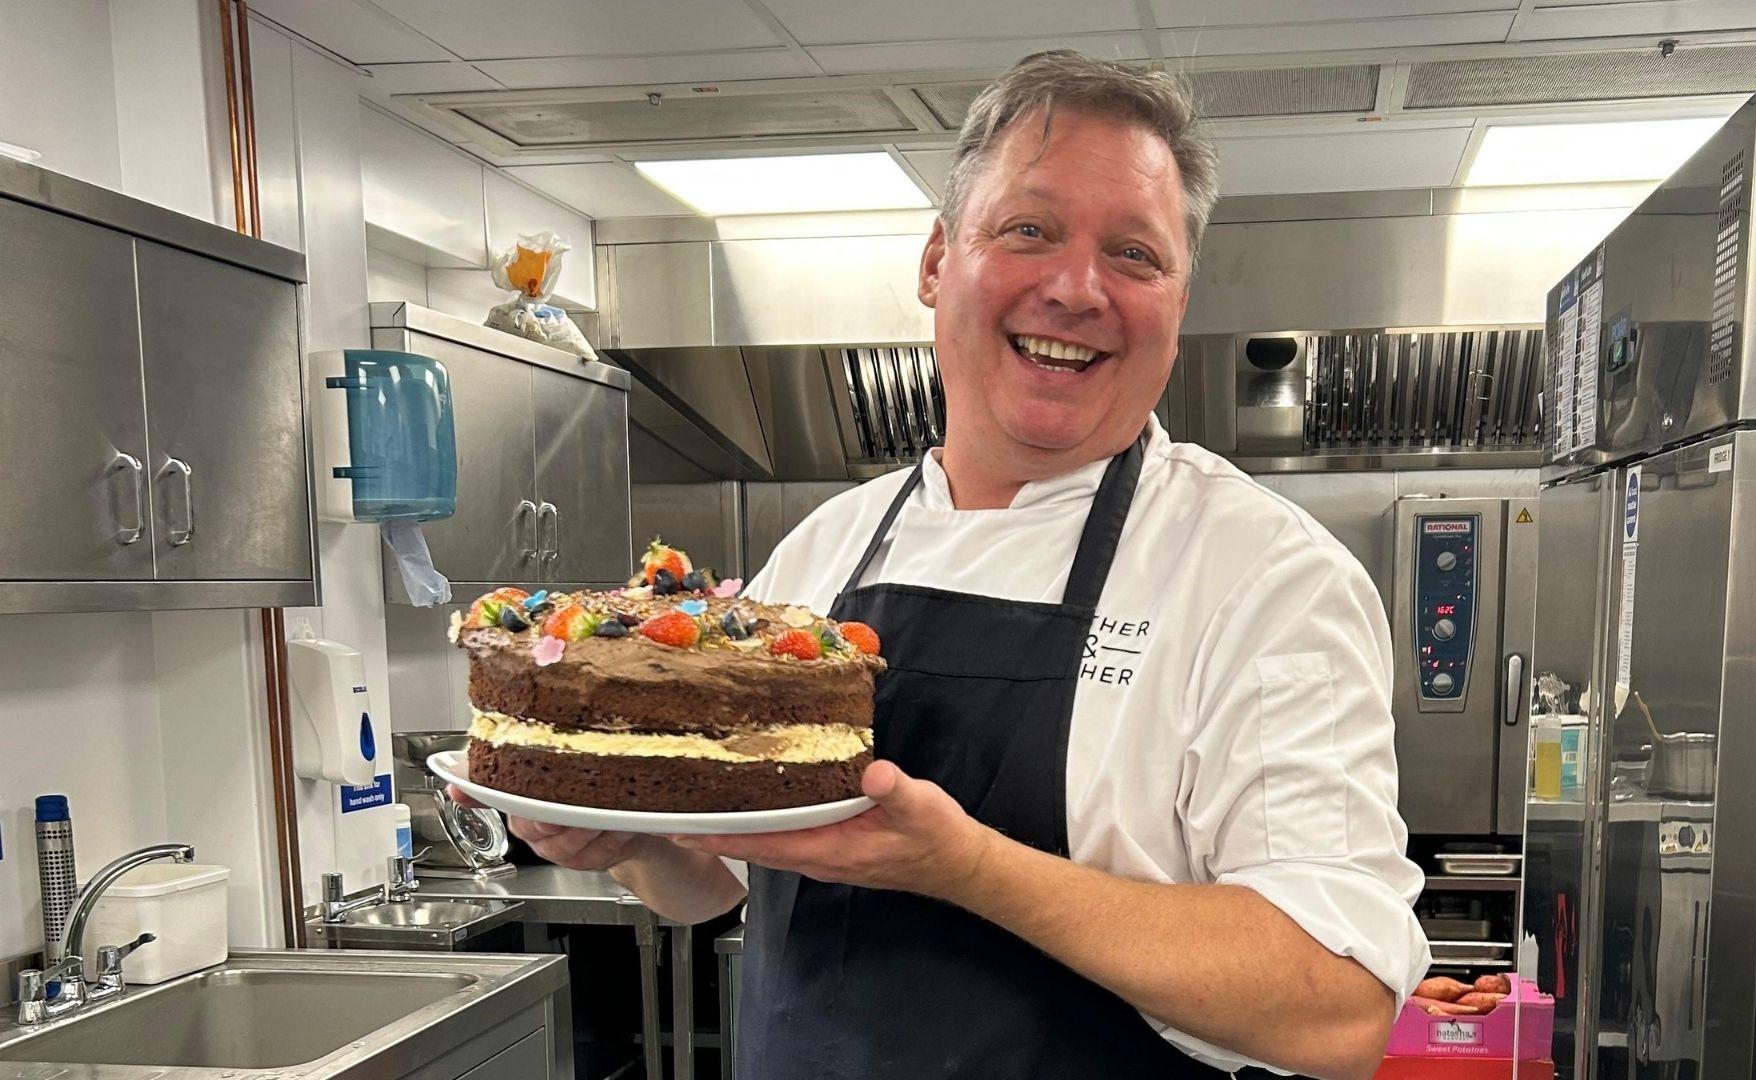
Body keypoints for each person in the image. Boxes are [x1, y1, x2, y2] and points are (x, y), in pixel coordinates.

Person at [468, 50, 1427, 1080]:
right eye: (1029, 230)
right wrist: (632, 845)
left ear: (1178, 301)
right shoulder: (826, 549)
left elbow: (1338, 1008)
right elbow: (722, 881)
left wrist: (968, 868)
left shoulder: (1267, 577)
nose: (1077, 288)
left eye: (1135, 254)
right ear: (936, 261)